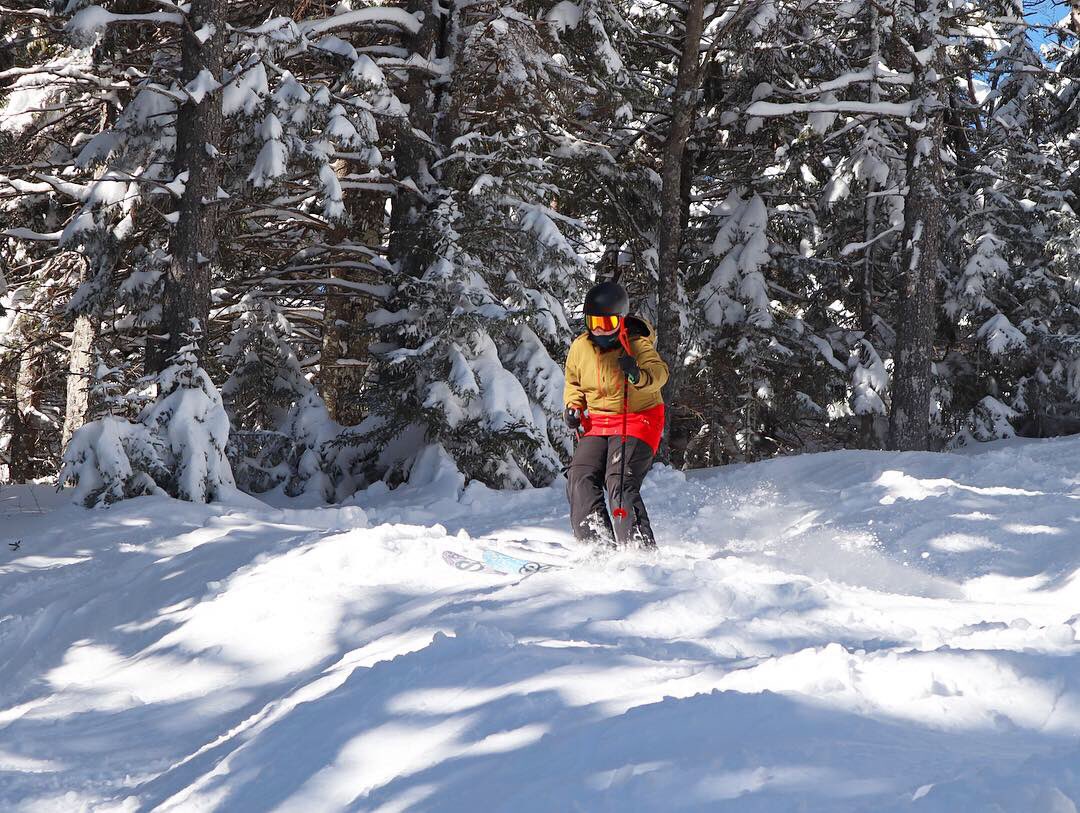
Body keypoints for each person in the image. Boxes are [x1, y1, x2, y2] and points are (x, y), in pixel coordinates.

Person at [562, 280, 669, 549]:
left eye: (606, 323)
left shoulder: (637, 344)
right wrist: (573, 406)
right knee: (580, 476)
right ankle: (596, 546)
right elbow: (574, 382)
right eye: (592, 322)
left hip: (637, 419)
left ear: (620, 320)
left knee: (618, 480)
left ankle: (639, 550)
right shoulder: (581, 346)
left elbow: (659, 374)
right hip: (599, 421)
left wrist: (637, 375)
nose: (598, 330)